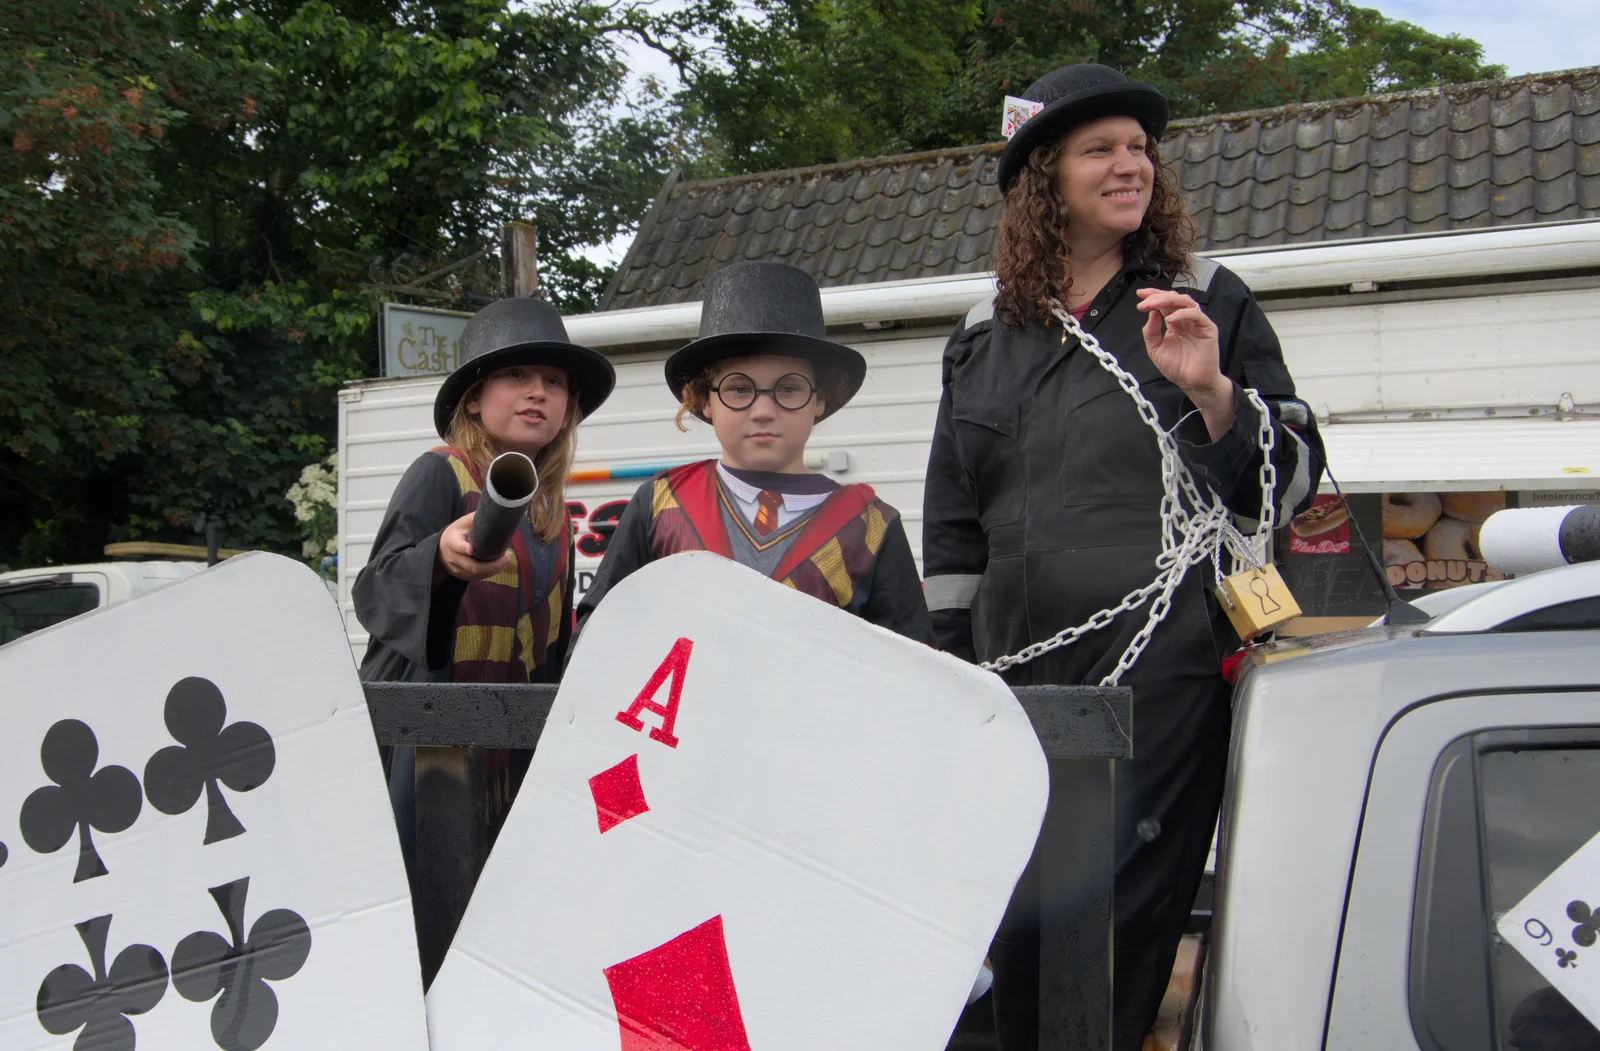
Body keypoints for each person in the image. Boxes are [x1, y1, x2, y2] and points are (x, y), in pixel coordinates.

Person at [920, 64, 1325, 1050]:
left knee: (1114, 913)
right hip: (1011, 676)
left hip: (1162, 677)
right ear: (1043, 179)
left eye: (1140, 147)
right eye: (1099, 148)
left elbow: (1293, 482)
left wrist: (1215, 396)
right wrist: (942, 662)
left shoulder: (1208, 301)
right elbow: (951, 524)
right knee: (1004, 909)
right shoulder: (983, 336)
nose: (1129, 164)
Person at [354, 297, 615, 858]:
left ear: (568, 410)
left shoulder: (553, 515)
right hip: (430, 743)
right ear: (473, 399)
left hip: (516, 743)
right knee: (428, 893)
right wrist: (438, 559)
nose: (538, 392)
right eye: (515, 375)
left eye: (554, 381)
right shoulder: (439, 472)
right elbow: (376, 590)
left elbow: (554, 646)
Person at [575, 260, 933, 647]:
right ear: (705, 401)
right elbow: (600, 636)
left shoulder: (871, 525)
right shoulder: (660, 504)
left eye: (789, 389)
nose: (763, 411)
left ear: (819, 401)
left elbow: (910, 668)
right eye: (739, 389)